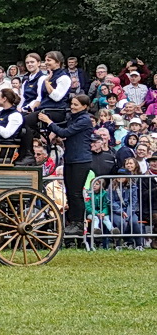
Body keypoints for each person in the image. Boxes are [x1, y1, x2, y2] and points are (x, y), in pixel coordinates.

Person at [40, 92, 95, 236]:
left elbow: (65, 132)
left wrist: (49, 122)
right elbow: (61, 125)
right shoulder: (73, 117)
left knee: (76, 192)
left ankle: (78, 223)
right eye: (72, 104)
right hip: (70, 158)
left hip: (81, 160)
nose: (73, 107)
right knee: (70, 191)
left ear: (85, 106)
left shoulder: (85, 120)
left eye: (76, 105)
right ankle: (72, 221)